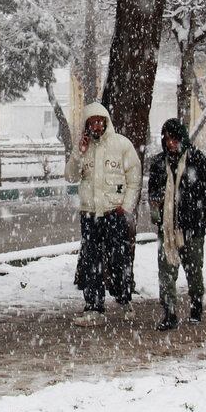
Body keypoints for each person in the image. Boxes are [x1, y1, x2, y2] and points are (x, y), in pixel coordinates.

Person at [65, 101, 141, 326]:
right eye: (92, 123)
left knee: (119, 258)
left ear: (106, 122)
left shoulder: (121, 145)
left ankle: (124, 298)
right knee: (91, 261)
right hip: (90, 215)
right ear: (86, 125)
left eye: (100, 122)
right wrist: (79, 153)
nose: (97, 127)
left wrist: (125, 207)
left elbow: (134, 179)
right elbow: (70, 176)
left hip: (113, 213)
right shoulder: (83, 148)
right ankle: (94, 307)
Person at [148, 119, 206, 331]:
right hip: (168, 228)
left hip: (192, 228)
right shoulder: (159, 164)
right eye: (167, 139)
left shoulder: (196, 160)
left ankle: (196, 304)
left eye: (175, 138)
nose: (171, 144)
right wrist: (158, 204)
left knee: (194, 270)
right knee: (166, 272)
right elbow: (153, 191)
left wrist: (198, 208)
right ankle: (169, 311)